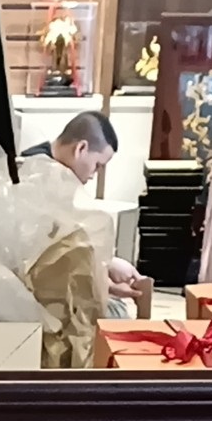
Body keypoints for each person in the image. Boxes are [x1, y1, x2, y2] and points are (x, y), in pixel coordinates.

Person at [19, 112, 152, 315]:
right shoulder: (36, 173)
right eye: (97, 166)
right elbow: (41, 257)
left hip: (48, 283)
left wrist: (104, 273)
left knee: (112, 306)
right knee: (113, 314)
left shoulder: (52, 169)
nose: (94, 174)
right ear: (81, 148)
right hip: (28, 292)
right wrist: (103, 267)